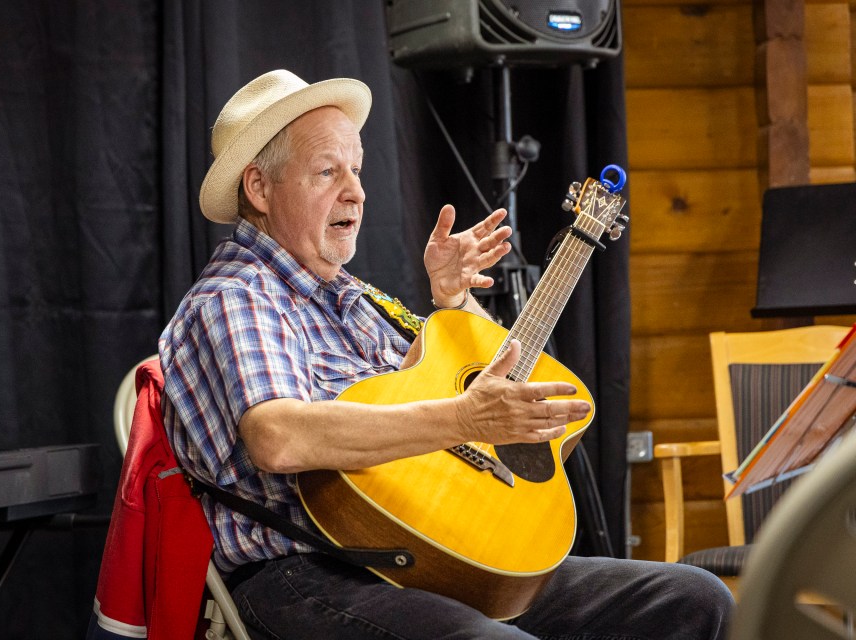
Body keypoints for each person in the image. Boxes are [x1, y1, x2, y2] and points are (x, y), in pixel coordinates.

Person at [159, 69, 733, 640]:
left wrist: (455, 303)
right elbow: (279, 436)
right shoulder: (235, 297)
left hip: (424, 558)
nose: (356, 190)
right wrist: (463, 417)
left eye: (356, 170)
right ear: (259, 189)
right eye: (328, 171)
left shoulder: (355, 299)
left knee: (694, 599)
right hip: (305, 572)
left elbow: (488, 399)